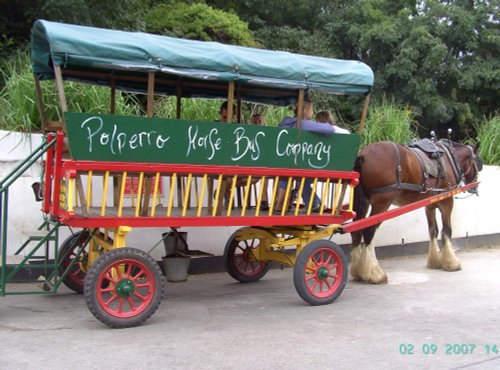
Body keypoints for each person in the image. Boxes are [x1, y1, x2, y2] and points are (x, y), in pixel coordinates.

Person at [275, 99, 334, 213]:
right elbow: (329, 129)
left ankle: (281, 204)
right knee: (301, 175)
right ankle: (312, 203)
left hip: (282, 162)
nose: (312, 112)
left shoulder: (285, 122)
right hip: (296, 165)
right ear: (306, 111)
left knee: (291, 171)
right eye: (311, 109)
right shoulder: (303, 124)